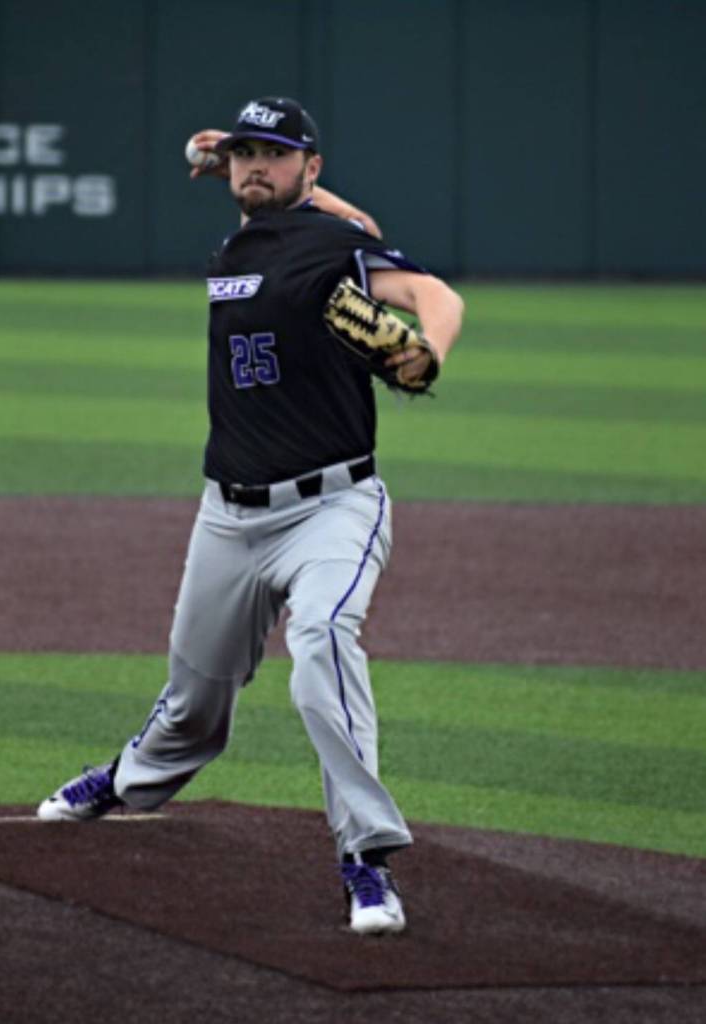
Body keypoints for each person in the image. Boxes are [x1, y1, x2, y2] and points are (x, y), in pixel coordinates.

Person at [38, 96, 464, 935]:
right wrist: (225, 158)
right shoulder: (236, 241)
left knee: (321, 645)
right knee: (196, 699)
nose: (253, 166)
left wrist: (429, 349)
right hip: (227, 515)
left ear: (311, 166)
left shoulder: (339, 245)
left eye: (273, 153)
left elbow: (431, 292)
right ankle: (131, 778)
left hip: (333, 507)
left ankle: (365, 860)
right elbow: (273, 196)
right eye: (243, 154)